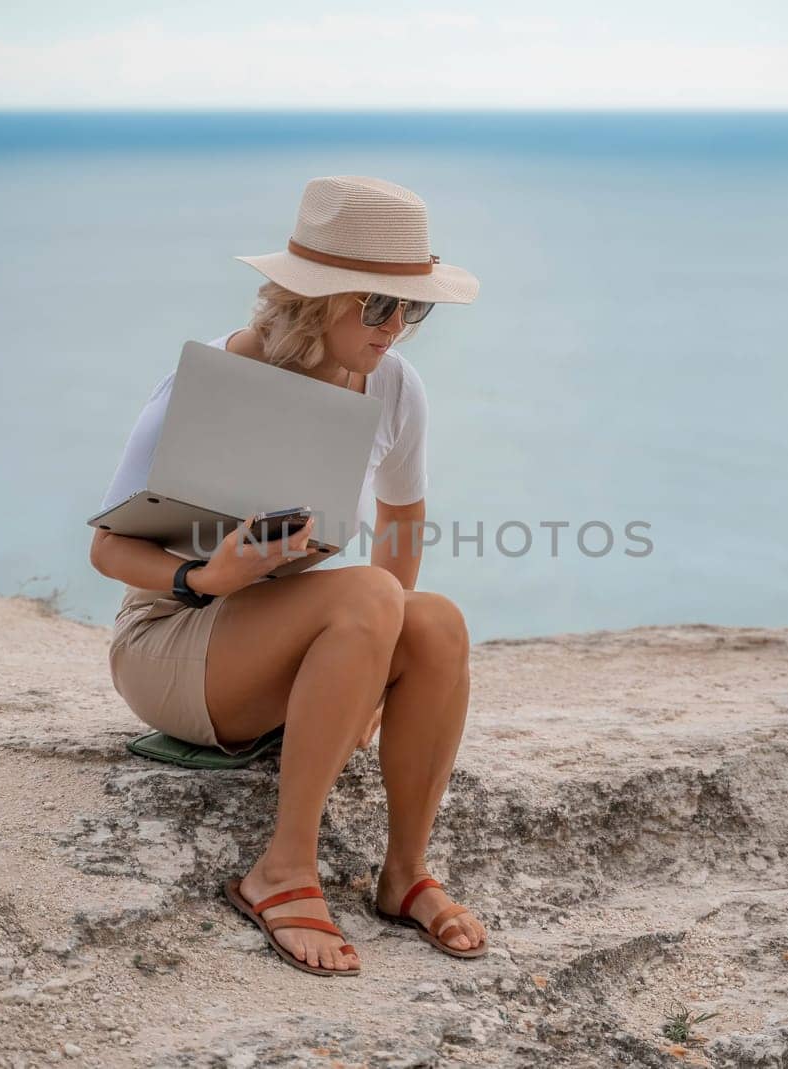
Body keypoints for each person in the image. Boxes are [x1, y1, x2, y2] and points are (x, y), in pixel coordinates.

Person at [89, 176, 488, 977]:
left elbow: (401, 525)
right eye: (379, 306)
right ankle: (281, 869)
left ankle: (404, 871)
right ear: (319, 299)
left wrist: (375, 673)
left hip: (288, 642)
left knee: (435, 620)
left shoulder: (395, 385)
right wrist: (210, 574)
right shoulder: (217, 382)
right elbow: (107, 552)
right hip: (173, 636)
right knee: (376, 594)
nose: (398, 329)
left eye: (415, 308)